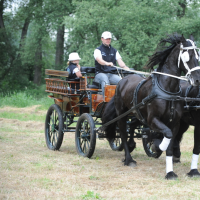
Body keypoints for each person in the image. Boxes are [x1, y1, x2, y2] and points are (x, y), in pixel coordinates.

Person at [94, 31, 129, 96]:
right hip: (100, 74)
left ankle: (120, 100)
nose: (108, 40)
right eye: (106, 39)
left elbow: (120, 62)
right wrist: (106, 63)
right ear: (102, 39)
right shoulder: (98, 50)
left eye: (109, 39)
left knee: (122, 82)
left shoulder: (114, 51)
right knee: (105, 80)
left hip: (111, 75)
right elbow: (99, 60)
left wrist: (125, 67)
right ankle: (106, 102)